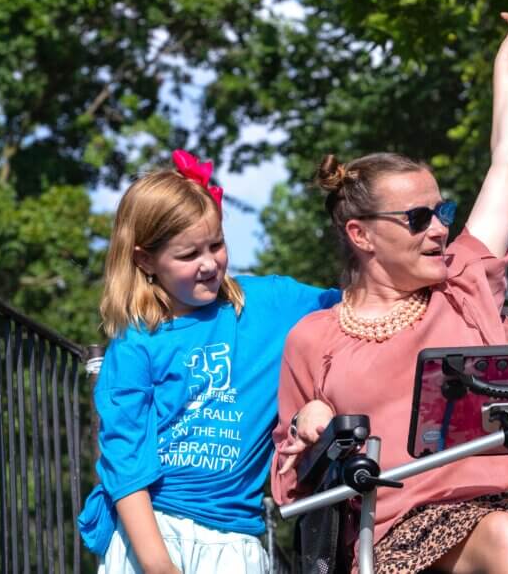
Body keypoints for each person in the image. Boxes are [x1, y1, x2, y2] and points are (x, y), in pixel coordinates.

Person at [271, 12, 508, 574]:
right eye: (419, 217)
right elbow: (289, 489)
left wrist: (507, 69)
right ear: (361, 234)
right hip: (411, 522)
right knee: (505, 538)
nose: (440, 228)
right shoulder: (314, 337)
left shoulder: (463, 280)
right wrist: (309, 424)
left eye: (442, 211)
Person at [77, 149, 340, 574]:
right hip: (153, 536)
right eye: (187, 255)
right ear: (145, 259)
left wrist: (325, 394)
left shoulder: (270, 304)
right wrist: (159, 566)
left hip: (236, 539)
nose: (208, 264)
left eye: (216, 245)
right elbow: (126, 468)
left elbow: (357, 313)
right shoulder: (135, 346)